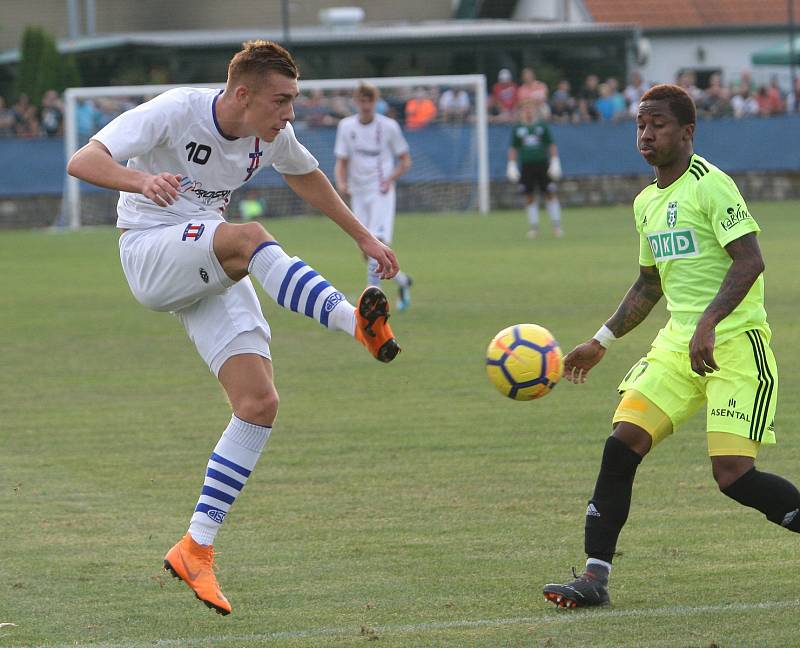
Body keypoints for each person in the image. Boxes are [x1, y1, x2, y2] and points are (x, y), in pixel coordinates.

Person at [66, 40, 402, 616]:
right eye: (282, 100)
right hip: (149, 249)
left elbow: (308, 176)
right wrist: (138, 182)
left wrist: (363, 237)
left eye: (293, 101)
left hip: (203, 252)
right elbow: (82, 160)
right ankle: (355, 324)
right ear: (242, 94)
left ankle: (196, 546)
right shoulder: (176, 110)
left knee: (258, 402)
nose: (289, 113)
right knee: (250, 237)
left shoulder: (269, 134)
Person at [543, 84, 799, 609]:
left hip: (735, 345)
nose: (646, 134)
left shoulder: (712, 186)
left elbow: (749, 261)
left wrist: (708, 322)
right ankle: (595, 578)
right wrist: (602, 339)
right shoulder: (646, 202)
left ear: (687, 132)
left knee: (733, 477)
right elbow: (649, 284)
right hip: (676, 347)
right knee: (621, 446)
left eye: (657, 124)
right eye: (641, 124)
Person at [334, 82, 414, 310]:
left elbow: (405, 160)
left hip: (381, 193)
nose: (366, 105)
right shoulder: (346, 127)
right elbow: (342, 161)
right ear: (356, 102)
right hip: (359, 194)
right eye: (362, 100)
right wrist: (341, 182)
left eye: (370, 100)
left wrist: (390, 178)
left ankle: (371, 302)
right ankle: (403, 281)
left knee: (378, 244)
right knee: (366, 250)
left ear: (376, 102)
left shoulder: (388, 127)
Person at [506, 101, 563, 238]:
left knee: (549, 193)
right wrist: (511, 164)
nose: (528, 111)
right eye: (525, 109)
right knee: (529, 195)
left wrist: (555, 161)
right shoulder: (518, 128)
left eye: (530, 109)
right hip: (526, 166)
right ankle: (534, 227)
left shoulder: (541, 126)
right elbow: (514, 147)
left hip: (542, 164)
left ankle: (556, 226)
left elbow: (551, 144)